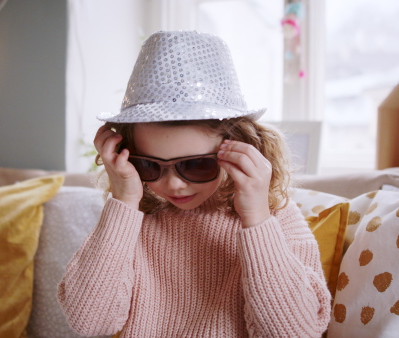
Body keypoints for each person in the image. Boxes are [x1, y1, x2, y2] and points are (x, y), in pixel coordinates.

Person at [58, 30, 331, 337]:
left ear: (239, 148)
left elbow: (294, 332)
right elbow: (89, 323)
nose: (173, 184)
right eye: (149, 165)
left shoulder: (277, 219)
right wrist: (123, 200)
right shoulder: (129, 225)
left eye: (196, 165)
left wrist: (256, 218)